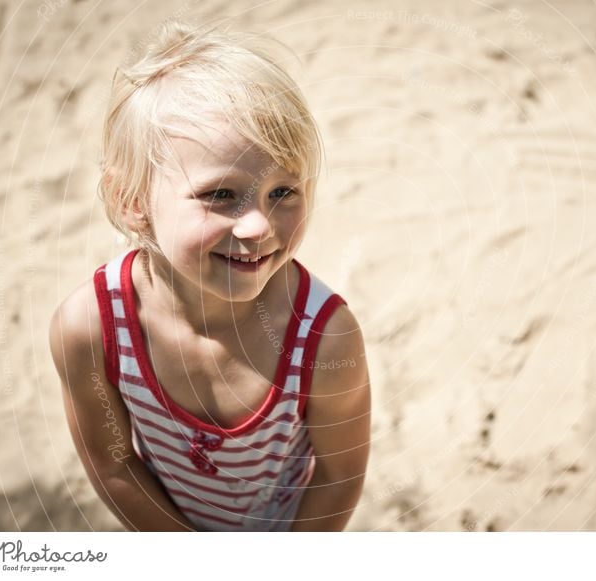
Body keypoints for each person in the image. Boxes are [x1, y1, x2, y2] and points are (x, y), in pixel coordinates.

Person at [48, 20, 371, 531]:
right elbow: (113, 464)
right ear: (132, 201)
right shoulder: (90, 329)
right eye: (220, 194)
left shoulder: (324, 340)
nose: (259, 225)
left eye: (283, 192)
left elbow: (337, 475)